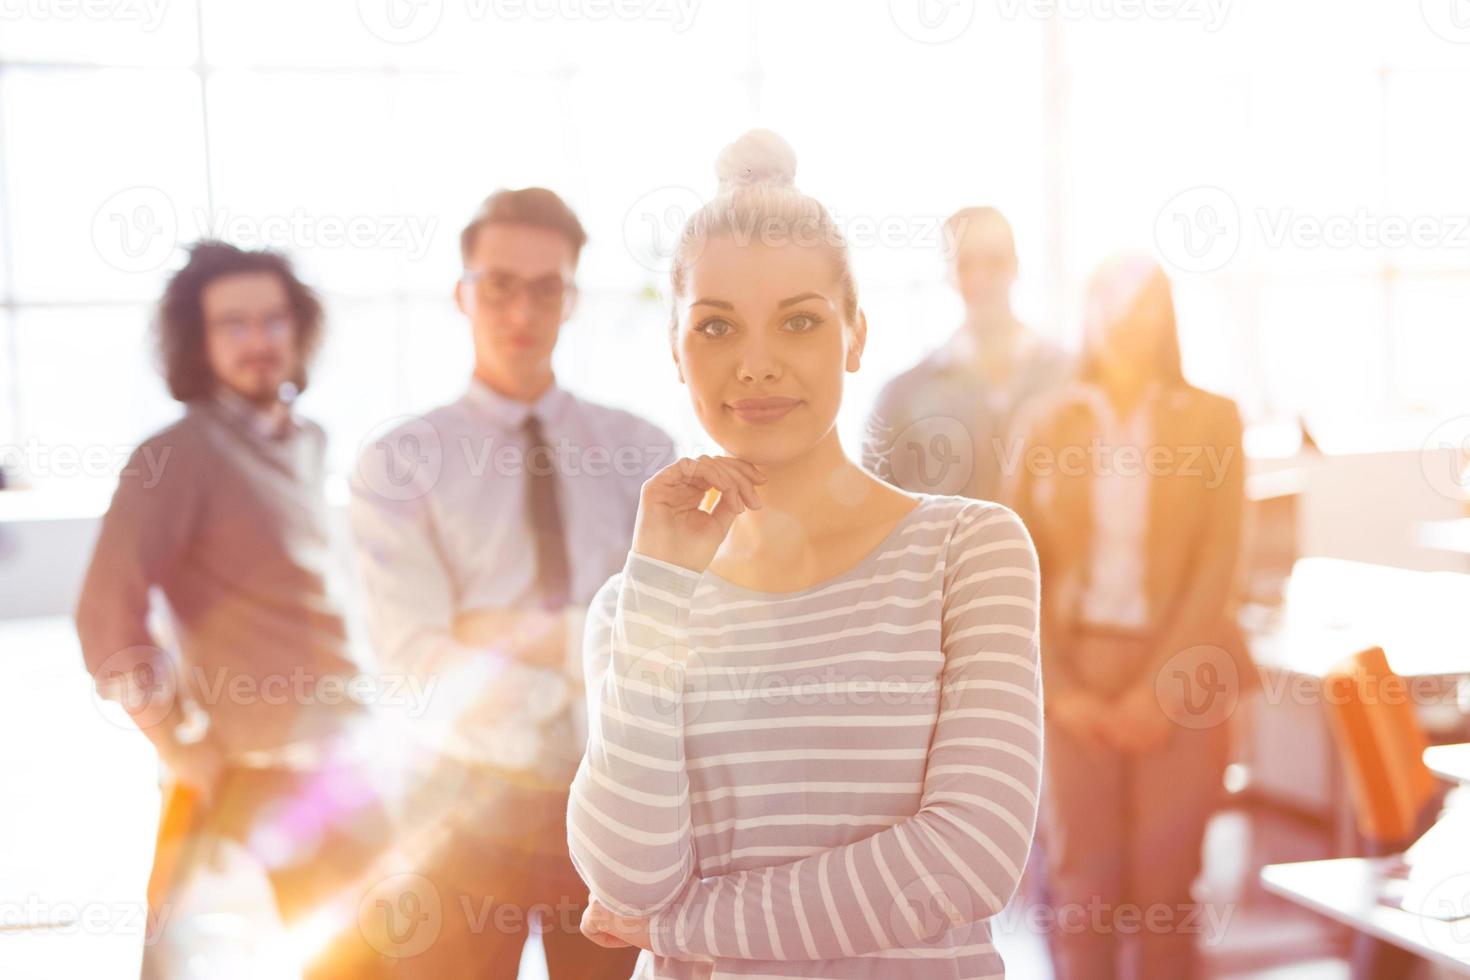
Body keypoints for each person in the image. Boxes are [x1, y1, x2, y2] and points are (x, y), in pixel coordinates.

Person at [564, 129, 1043, 979]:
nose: (756, 365)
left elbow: (968, 860)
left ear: (855, 336)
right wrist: (660, 585)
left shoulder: (969, 552)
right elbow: (631, 875)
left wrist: (679, 928)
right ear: (677, 351)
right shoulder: (635, 604)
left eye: (799, 321)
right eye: (715, 326)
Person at [349, 188, 669, 978]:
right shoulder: (399, 462)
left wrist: (497, 632)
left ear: (572, 300)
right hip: (461, 805)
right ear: (463, 294)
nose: (520, 308)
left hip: (612, 802)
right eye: (498, 284)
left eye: (545, 287)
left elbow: (670, 641)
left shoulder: (642, 451)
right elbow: (412, 657)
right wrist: (585, 657)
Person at [75, 241, 391, 978]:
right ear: (199, 340)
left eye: (273, 321)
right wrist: (177, 742)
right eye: (234, 325)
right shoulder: (176, 455)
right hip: (243, 779)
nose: (259, 341)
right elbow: (103, 620)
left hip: (343, 762)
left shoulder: (309, 442)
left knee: (376, 963)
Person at [1008, 253, 1254, 980]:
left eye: (1140, 304)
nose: (1123, 320)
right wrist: (1062, 691)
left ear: (1164, 315)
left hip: (1180, 668)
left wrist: (1161, 689)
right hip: (1073, 671)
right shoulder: (1044, 421)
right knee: (1081, 888)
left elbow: (1220, 565)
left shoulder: (1212, 418)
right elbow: (1016, 562)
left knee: (1166, 893)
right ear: (1086, 315)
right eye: (1107, 303)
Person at [863, 206, 1068, 503]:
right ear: (948, 274)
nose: (981, 278)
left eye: (994, 262)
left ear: (1016, 266)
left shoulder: (1069, 377)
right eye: (965, 264)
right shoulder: (902, 397)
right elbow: (875, 515)